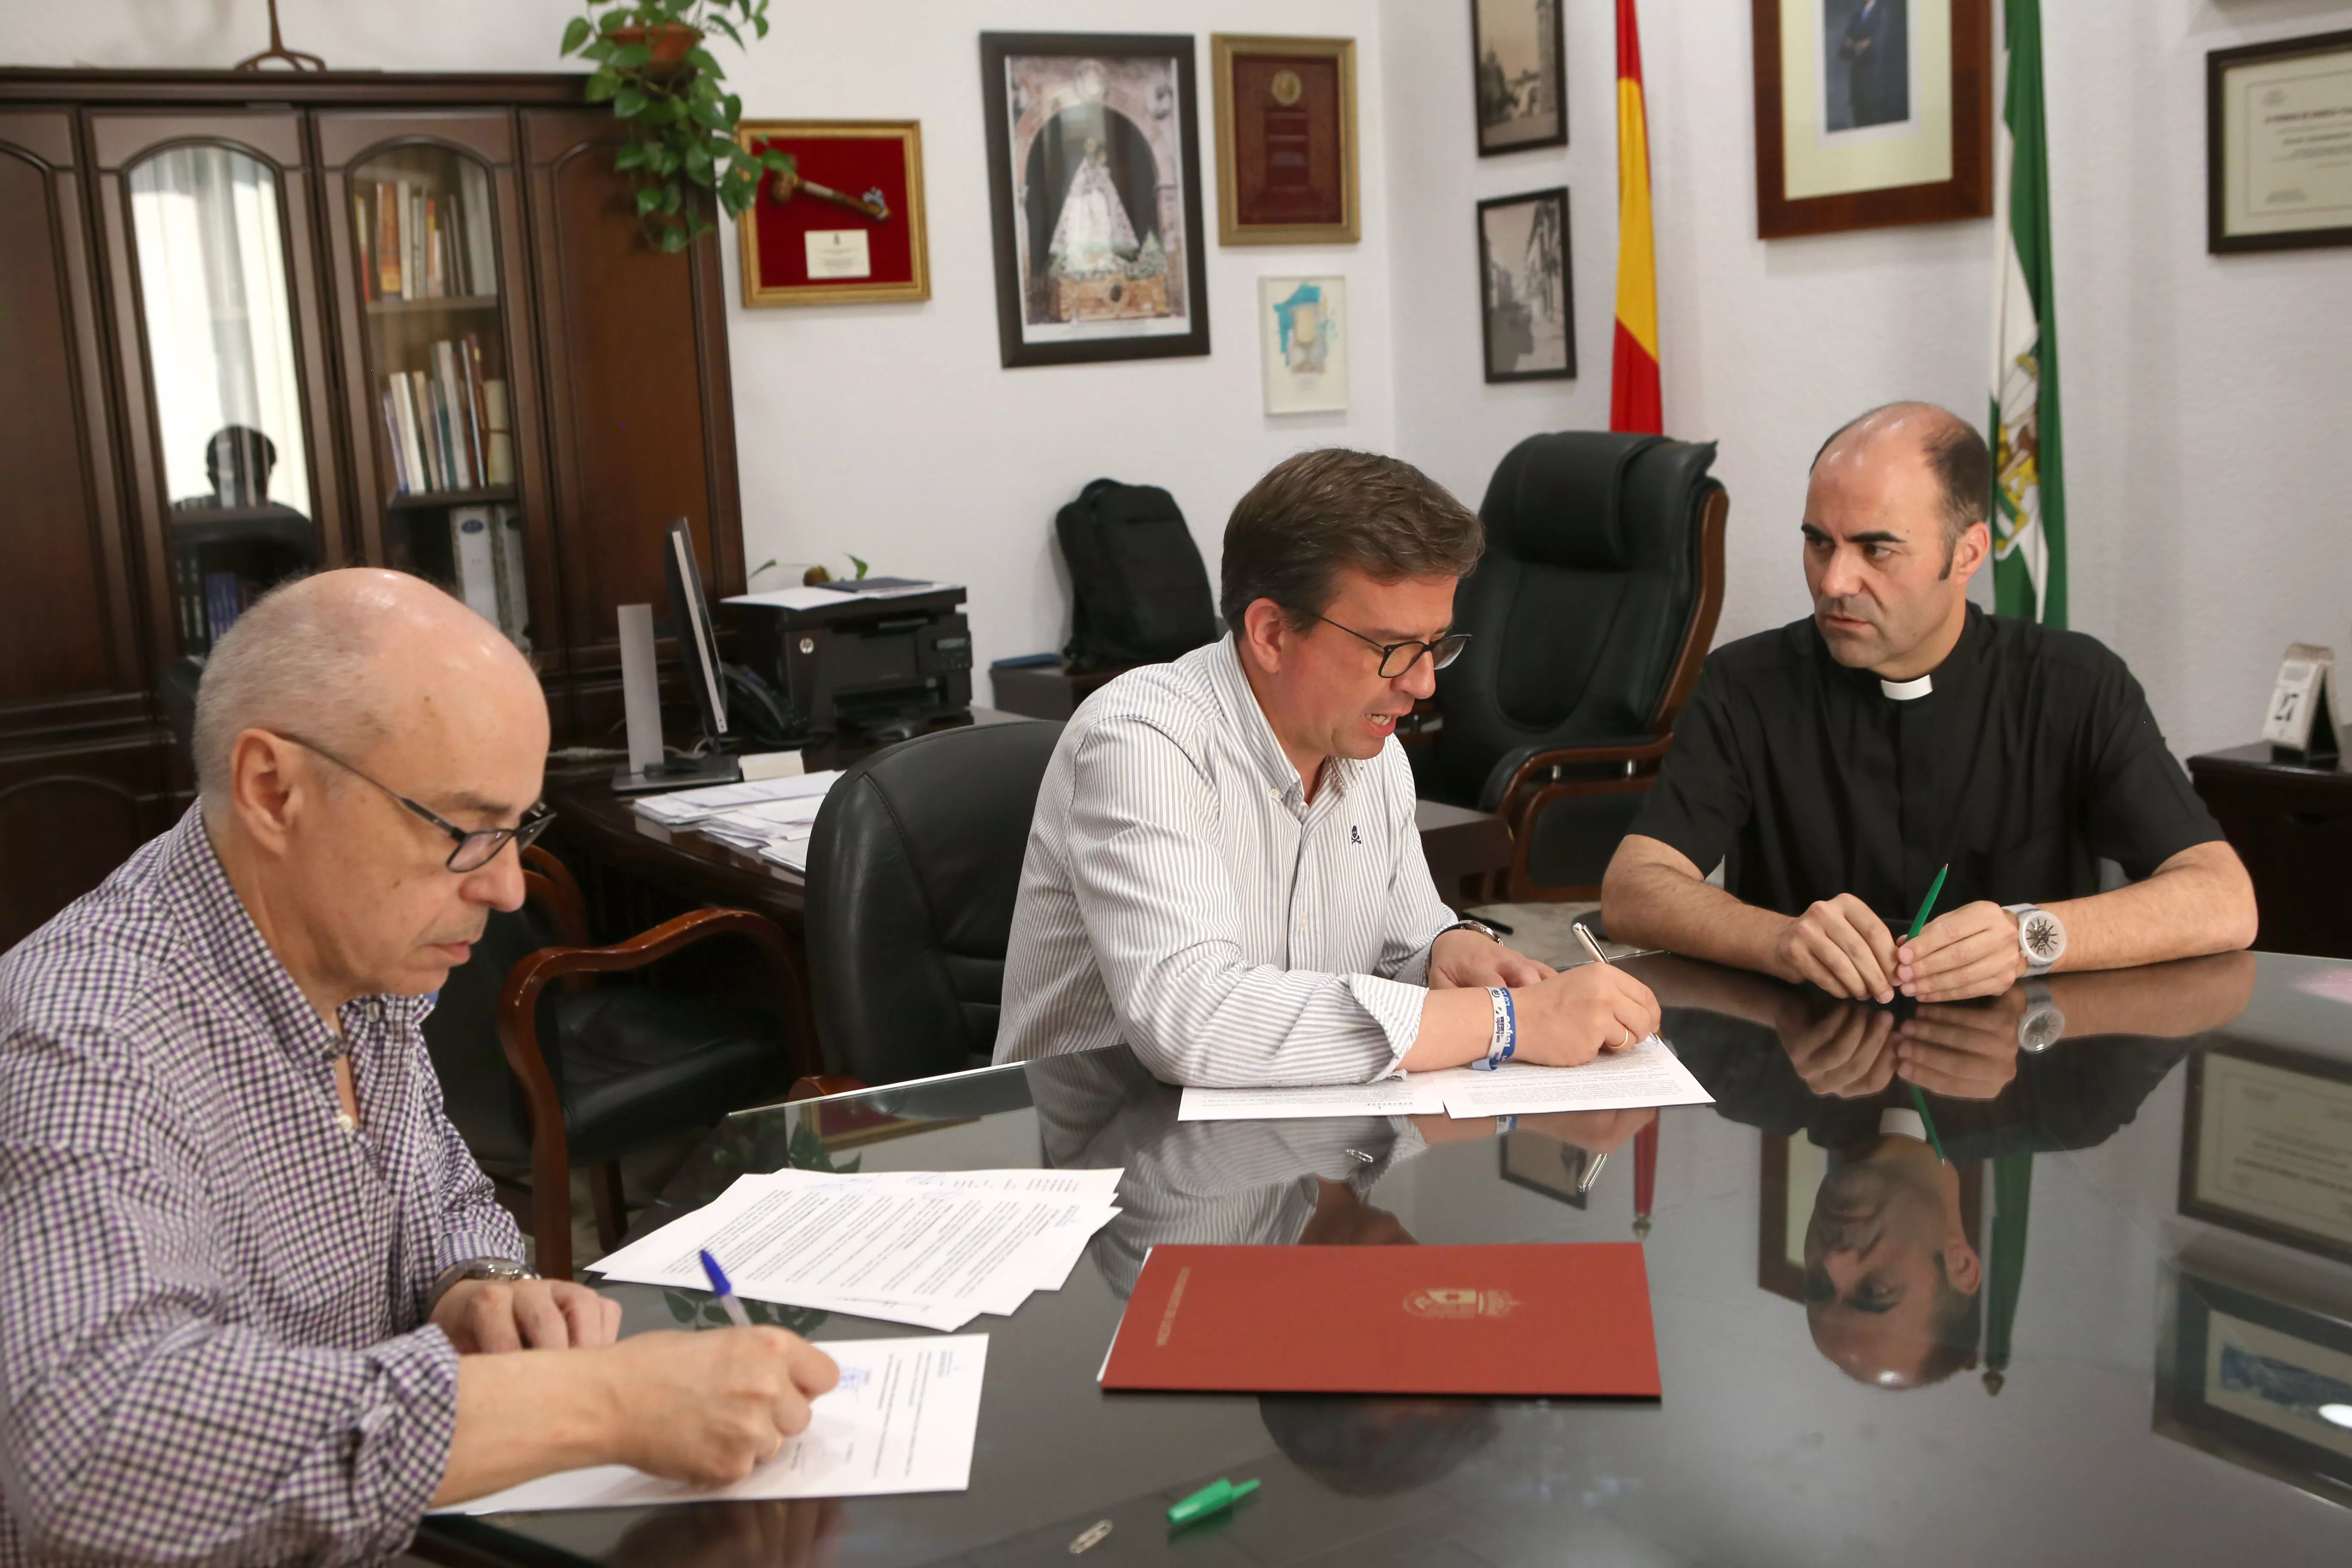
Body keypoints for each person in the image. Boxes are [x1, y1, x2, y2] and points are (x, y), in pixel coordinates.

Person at [0, 570, 838, 1564]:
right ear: (275, 790)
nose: (506, 884)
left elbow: (438, 1197)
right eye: (464, 830)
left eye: (519, 829)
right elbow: (94, 1447)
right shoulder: (80, 1037)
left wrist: (473, 1288)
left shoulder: (362, 956)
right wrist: (593, 1402)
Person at [995, 448, 1660, 1084]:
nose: (1424, 685)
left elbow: (1404, 947)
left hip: (1294, 1158)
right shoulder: (1142, 742)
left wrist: (1450, 955)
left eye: (1435, 645)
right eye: (1395, 648)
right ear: (1272, 634)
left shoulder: (1372, 751)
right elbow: (1192, 1022)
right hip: (1113, 1163)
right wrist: (1504, 1022)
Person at [1601, 403, 2256, 1007]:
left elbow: (2223, 898)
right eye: (1819, 541)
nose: (1834, 582)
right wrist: (1778, 939)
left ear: (1967, 553)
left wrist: (2028, 937)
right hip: (1813, 1069)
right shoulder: (1746, 684)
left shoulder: (2075, 683)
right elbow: (1633, 888)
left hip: (2019, 1080)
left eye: (1876, 549)